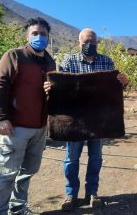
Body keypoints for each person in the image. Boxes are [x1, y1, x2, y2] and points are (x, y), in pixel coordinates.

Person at [44, 28, 127, 211]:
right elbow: (60, 88)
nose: (89, 45)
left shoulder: (106, 62)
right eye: (85, 42)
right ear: (79, 42)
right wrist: (51, 87)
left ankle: (92, 193)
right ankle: (71, 195)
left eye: (92, 41)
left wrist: (123, 82)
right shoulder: (69, 61)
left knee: (95, 158)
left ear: (97, 42)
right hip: (75, 120)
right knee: (71, 159)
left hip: (98, 120)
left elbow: (114, 89)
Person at [0, 17, 56, 215]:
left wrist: (53, 90)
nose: (39, 37)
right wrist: (1, 117)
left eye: (43, 34)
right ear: (27, 36)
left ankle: (18, 207)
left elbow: (53, 94)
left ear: (48, 37)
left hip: (39, 128)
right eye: (35, 33)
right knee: (7, 174)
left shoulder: (50, 62)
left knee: (27, 172)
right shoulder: (14, 56)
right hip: (15, 127)